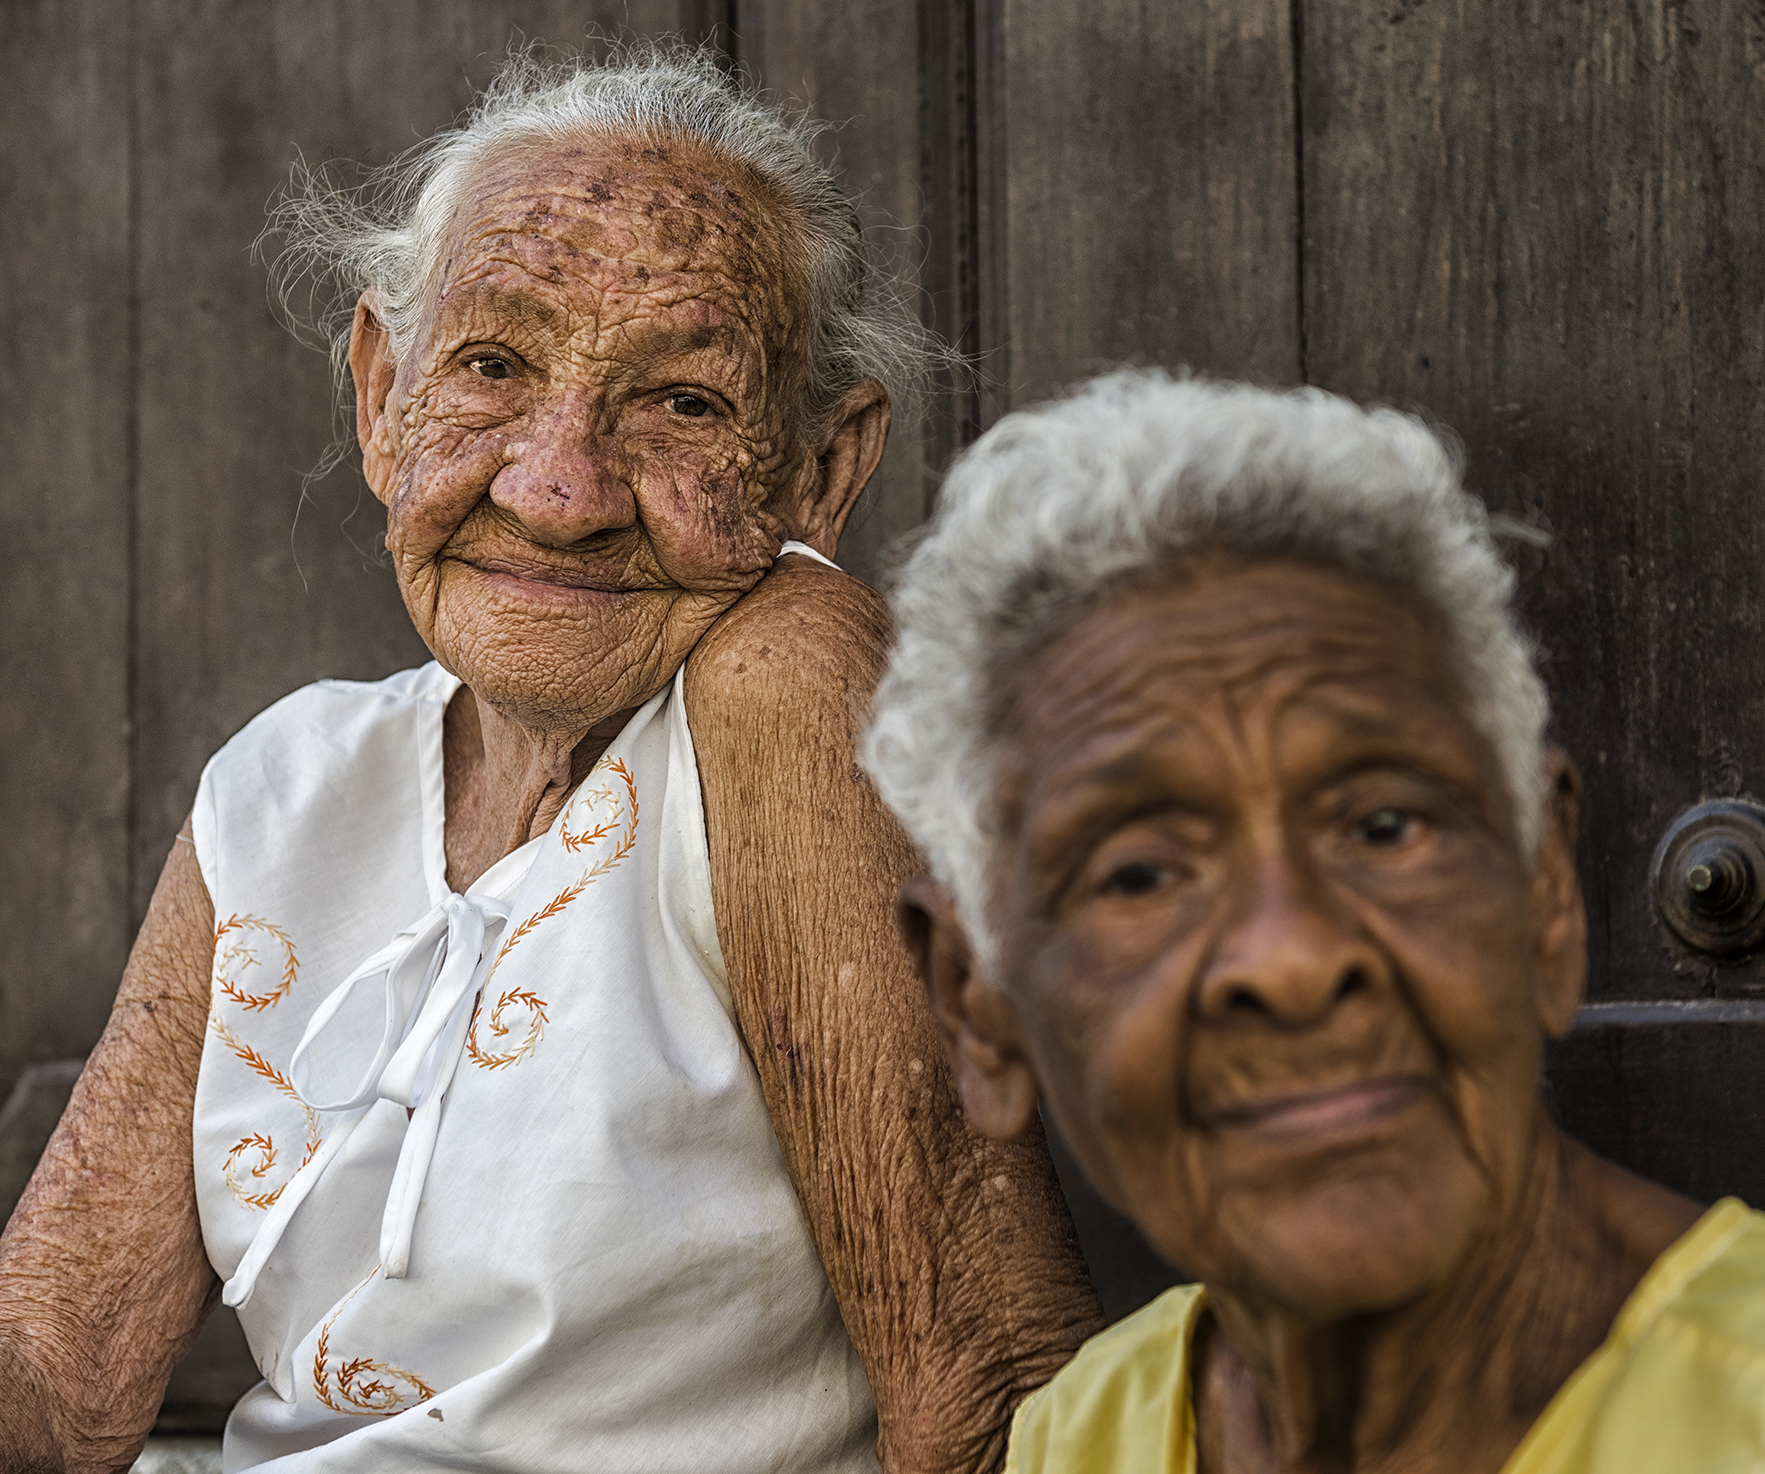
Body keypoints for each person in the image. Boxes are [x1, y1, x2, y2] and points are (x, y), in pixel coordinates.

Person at [0, 44, 1098, 1474]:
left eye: (684, 402)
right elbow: (47, 1360)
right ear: (384, 394)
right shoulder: (288, 784)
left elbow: (1000, 1386)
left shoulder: (788, 677)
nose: (559, 489)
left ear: (823, 465)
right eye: (495, 366)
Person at [860, 370, 1765, 1474]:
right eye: (1139, 876)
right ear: (980, 1005)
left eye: (1384, 827)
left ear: (1544, 891)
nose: (1296, 956)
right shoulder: (1091, 1433)